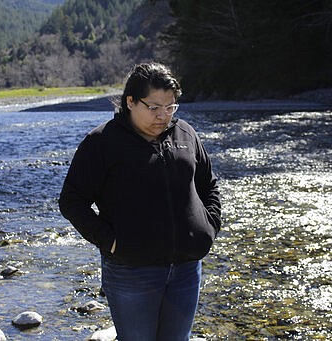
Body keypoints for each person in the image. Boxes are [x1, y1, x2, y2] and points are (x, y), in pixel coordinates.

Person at [59, 62, 221, 341]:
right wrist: (111, 242)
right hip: (132, 272)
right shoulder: (102, 142)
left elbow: (208, 184)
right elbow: (72, 201)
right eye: (154, 107)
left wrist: (210, 225)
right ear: (130, 101)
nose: (164, 116)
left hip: (186, 269)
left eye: (171, 107)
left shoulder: (186, 134)